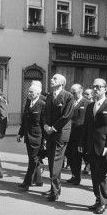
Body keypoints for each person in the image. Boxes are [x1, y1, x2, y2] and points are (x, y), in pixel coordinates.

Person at [79, 78, 107, 214]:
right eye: (93, 87)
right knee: (94, 176)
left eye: (98, 87)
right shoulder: (90, 106)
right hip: (91, 146)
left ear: (105, 89)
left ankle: (103, 202)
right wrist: (81, 143)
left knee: (100, 175)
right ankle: (98, 199)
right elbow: (86, 128)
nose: (95, 89)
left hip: (105, 147)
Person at [42, 74, 74, 202]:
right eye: (52, 78)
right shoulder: (50, 96)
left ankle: (55, 192)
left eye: (55, 79)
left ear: (62, 83)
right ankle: (54, 187)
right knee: (52, 163)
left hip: (60, 134)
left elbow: (66, 116)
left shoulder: (68, 96)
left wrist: (53, 128)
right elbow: (45, 113)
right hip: (49, 133)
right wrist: (45, 125)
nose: (51, 80)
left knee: (55, 162)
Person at [17, 84, 45, 190]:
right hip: (28, 137)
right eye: (28, 92)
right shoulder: (28, 103)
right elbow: (25, 121)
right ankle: (39, 181)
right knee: (33, 159)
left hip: (37, 137)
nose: (29, 94)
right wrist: (20, 133)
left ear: (38, 93)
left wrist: (45, 140)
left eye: (31, 92)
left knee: (33, 160)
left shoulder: (42, 104)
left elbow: (44, 123)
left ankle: (27, 182)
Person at [65, 84, 91, 186]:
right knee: (70, 156)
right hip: (69, 133)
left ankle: (78, 177)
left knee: (77, 157)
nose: (72, 94)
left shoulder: (88, 103)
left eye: (74, 92)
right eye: (71, 92)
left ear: (80, 91)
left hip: (80, 135)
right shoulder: (70, 102)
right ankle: (74, 175)